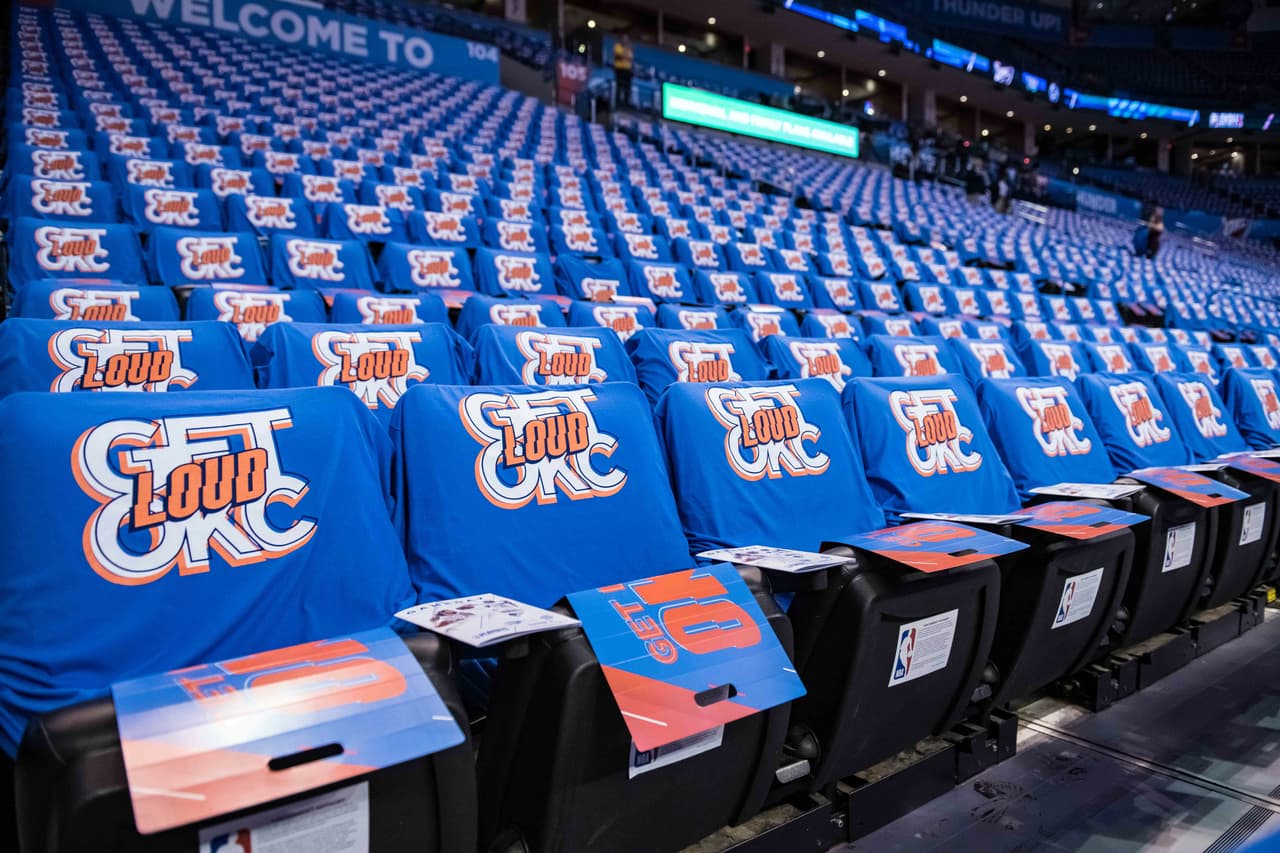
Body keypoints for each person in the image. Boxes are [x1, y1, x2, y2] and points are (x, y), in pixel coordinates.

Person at [613, 34, 634, 110]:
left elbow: (630, 58)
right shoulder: (617, 46)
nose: (625, 41)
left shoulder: (629, 49)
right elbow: (620, 56)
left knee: (627, 87)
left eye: (626, 39)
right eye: (624, 39)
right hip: (619, 70)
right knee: (619, 86)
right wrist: (626, 51)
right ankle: (617, 102)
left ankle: (626, 103)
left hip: (627, 70)